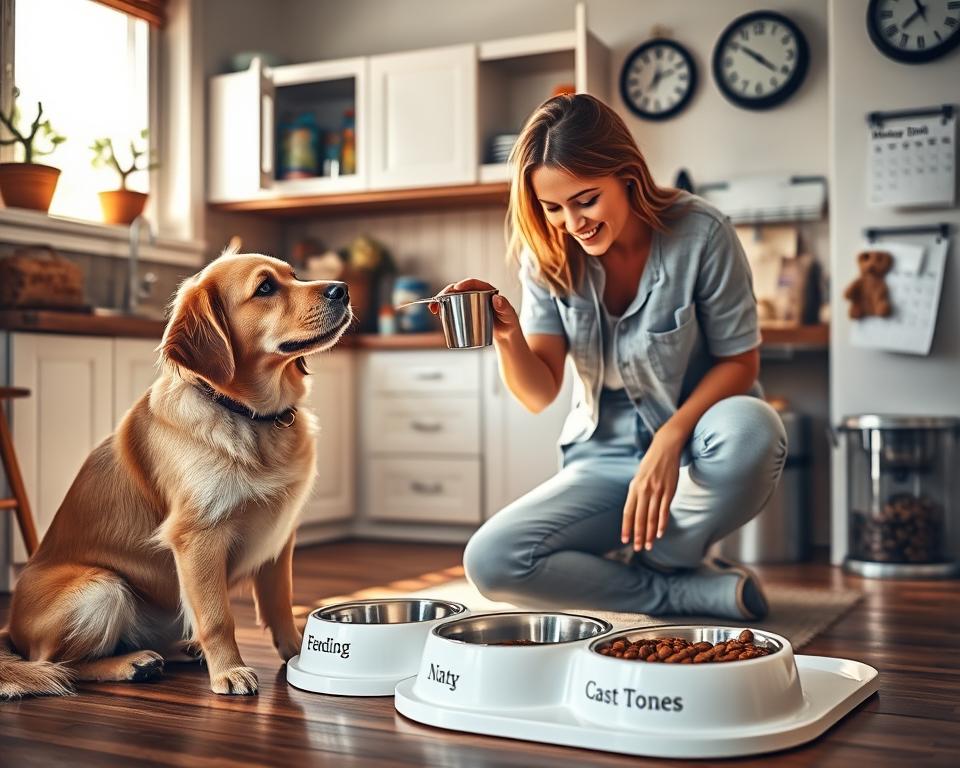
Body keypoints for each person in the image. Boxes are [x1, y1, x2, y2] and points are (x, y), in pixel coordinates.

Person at [433, 94, 786, 620]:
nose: (572, 222)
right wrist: (508, 335)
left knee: (754, 428)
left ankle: (664, 560)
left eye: (586, 199)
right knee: (492, 561)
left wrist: (670, 440)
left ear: (626, 174)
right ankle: (675, 591)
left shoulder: (703, 232)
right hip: (602, 453)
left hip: (695, 437)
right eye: (553, 208)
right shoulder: (548, 253)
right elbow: (539, 392)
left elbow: (741, 363)